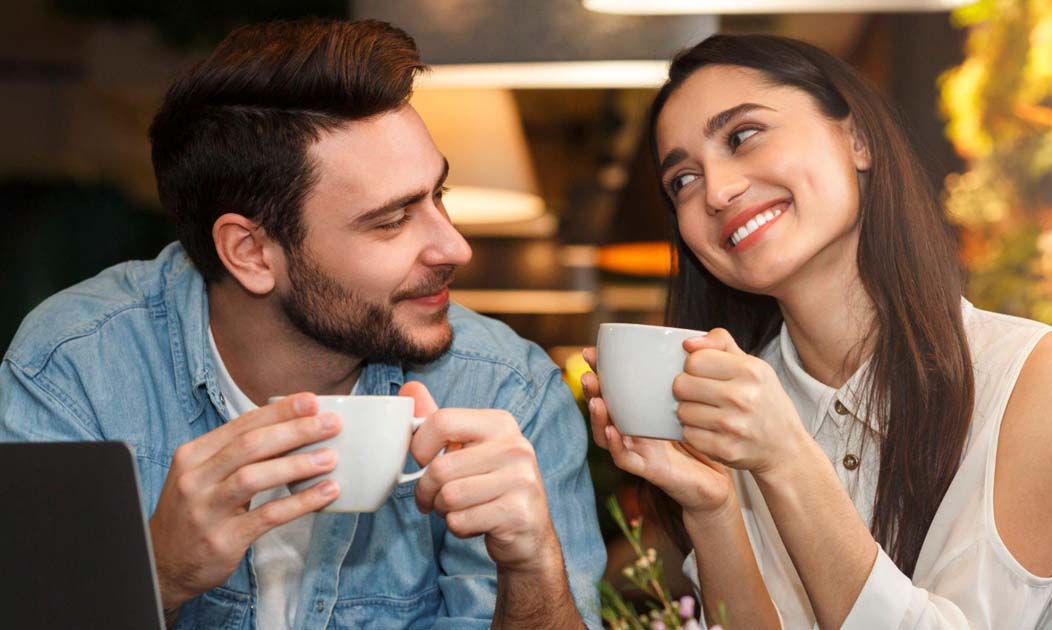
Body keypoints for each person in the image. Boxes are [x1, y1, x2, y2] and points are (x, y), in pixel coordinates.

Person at [0, 19, 604, 629]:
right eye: (391, 220)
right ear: (251, 254)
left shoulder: (505, 391)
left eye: (437, 195)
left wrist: (532, 570)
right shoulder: (75, 370)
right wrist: (158, 574)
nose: (455, 246)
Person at [582, 34, 1052, 629]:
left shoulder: (1043, 379)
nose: (716, 191)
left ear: (857, 139)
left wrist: (786, 457)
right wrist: (712, 508)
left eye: (742, 136)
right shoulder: (734, 411)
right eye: (682, 180)